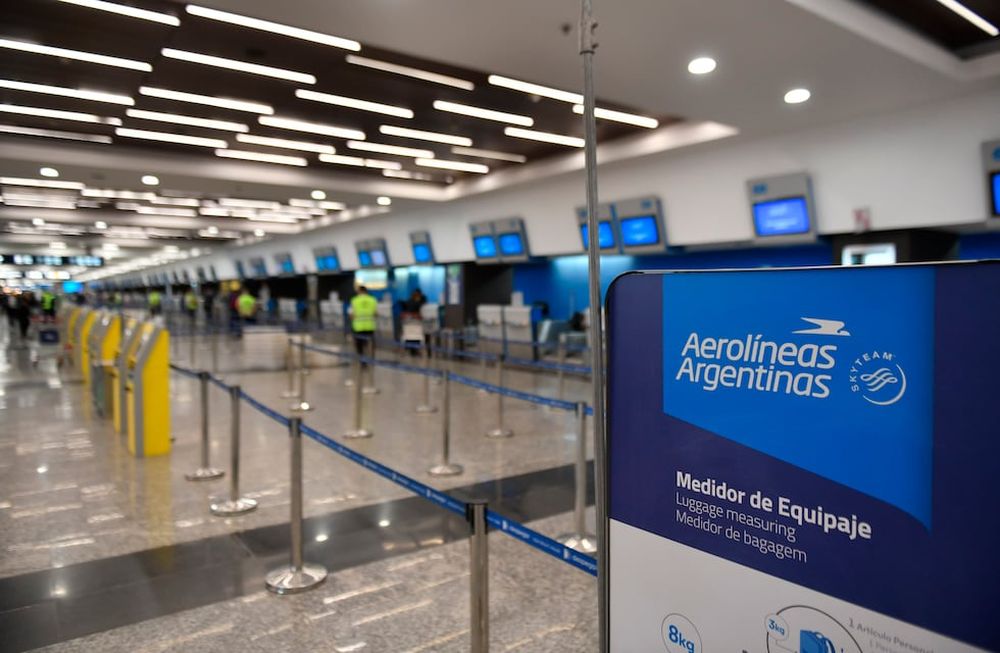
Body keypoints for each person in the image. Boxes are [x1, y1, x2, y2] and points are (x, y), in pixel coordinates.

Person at [349, 285, 378, 369]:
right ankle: (371, 360)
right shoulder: (373, 300)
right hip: (370, 326)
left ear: (359, 291)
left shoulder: (354, 300)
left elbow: (351, 315)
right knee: (369, 344)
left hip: (358, 327)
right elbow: (376, 314)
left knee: (360, 345)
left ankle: (363, 362)